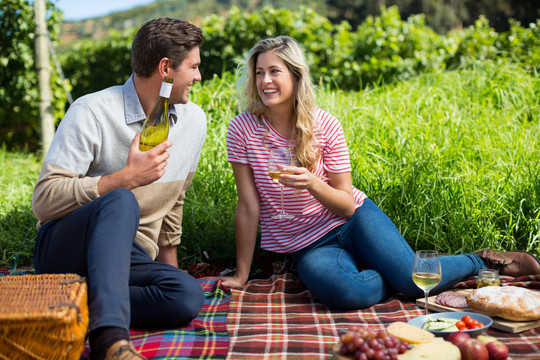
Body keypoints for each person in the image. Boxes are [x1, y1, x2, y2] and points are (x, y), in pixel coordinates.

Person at [220, 35, 540, 310]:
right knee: (348, 292)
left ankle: (481, 259)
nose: (265, 81)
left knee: (416, 282)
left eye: (274, 71)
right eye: (259, 72)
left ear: (295, 75)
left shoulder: (325, 125)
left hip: (354, 219)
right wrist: (241, 273)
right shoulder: (242, 129)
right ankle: (395, 270)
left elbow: (346, 204)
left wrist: (312, 184)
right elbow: (248, 206)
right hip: (309, 244)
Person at [32, 18, 207, 360]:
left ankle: (78, 304)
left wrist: (168, 268)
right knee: (121, 200)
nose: (199, 76)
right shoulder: (92, 111)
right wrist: (122, 179)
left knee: (186, 296)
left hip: (131, 256)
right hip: (65, 247)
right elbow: (44, 201)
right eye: (194, 67)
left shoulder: (193, 121)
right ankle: (110, 340)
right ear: (166, 68)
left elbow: (174, 202)